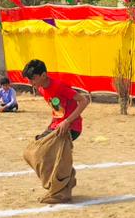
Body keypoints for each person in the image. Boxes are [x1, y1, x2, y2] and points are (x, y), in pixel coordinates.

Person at [21, 58, 89, 203]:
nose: (30, 82)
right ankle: (66, 182)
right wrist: (51, 126)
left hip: (71, 127)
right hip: (56, 126)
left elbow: (84, 100)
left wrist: (67, 121)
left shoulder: (59, 86)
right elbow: (57, 109)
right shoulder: (41, 88)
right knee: (31, 152)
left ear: (43, 75)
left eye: (33, 78)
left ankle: (60, 191)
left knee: (44, 153)